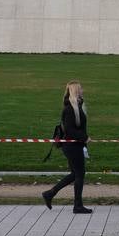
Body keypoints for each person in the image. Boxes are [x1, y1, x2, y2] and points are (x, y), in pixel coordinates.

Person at [42, 80, 91, 214]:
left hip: (74, 145)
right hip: (72, 145)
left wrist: (83, 139)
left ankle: (50, 194)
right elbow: (70, 130)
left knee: (75, 174)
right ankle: (77, 206)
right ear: (75, 91)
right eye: (80, 89)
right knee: (80, 174)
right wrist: (84, 138)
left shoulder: (77, 107)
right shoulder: (70, 109)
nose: (82, 90)